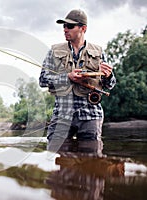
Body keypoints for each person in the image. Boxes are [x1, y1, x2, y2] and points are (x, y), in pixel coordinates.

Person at [39, 9, 116, 152]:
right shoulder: (54, 52)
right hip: (62, 115)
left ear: (83, 28)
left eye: (69, 26)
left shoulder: (98, 52)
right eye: (64, 26)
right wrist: (67, 77)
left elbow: (110, 85)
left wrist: (108, 76)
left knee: (90, 164)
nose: (65, 29)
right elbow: (42, 80)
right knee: (58, 162)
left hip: (91, 115)